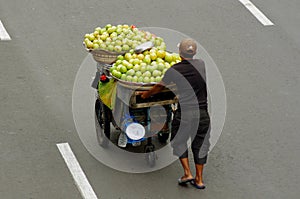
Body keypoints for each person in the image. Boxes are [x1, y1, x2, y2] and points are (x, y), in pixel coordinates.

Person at [140, 38, 210, 189]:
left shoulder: (175, 70)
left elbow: (159, 86)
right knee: (201, 144)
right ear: (195, 53)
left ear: (179, 53)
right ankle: (199, 180)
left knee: (178, 141)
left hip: (185, 113)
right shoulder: (201, 64)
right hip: (203, 113)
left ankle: (187, 173)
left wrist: (145, 95)